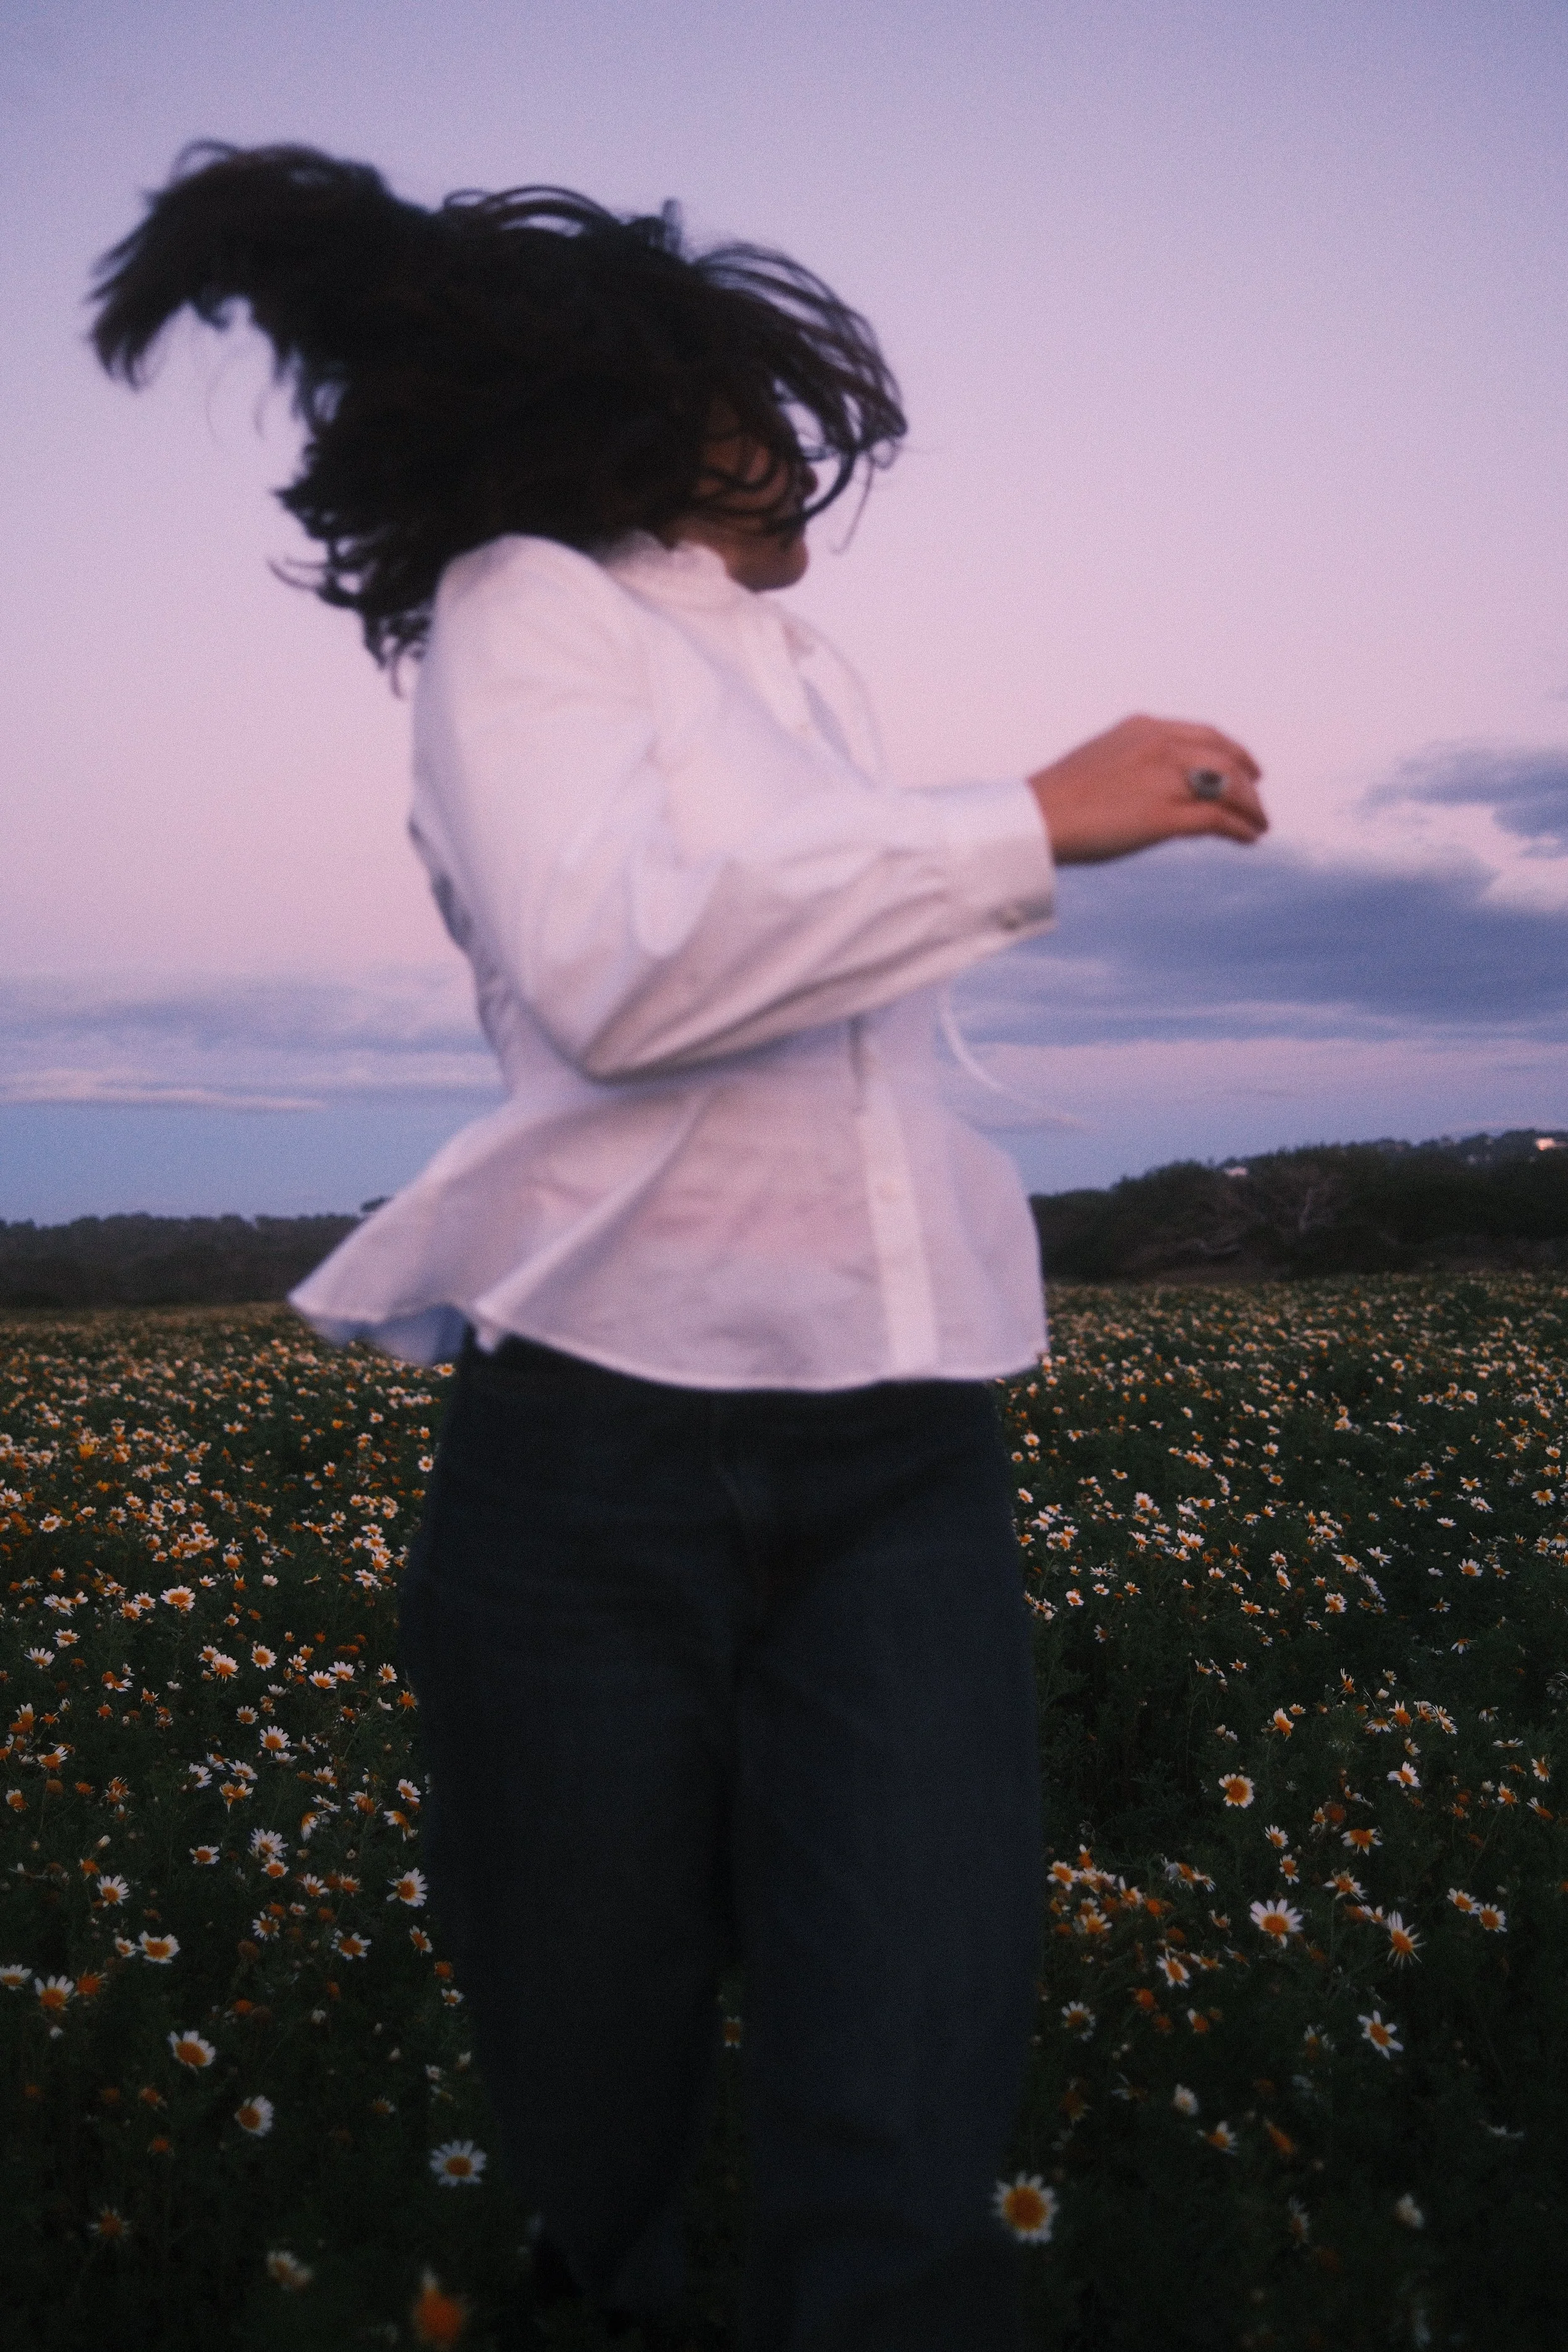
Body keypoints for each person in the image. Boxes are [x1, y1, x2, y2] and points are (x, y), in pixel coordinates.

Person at [91, 144, 1266, 2352]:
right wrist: (1028, 818)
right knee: (596, 2094)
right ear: (627, 414)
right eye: (744, 401)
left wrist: (974, 836)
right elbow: (624, 972)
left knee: (910, 2100)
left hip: (901, 1449)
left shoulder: (795, 673)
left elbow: (802, 977)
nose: (793, 442)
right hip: (602, 1461)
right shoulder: (527, 608)